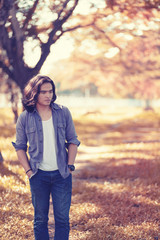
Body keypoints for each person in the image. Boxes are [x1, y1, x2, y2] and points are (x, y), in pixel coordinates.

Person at [12, 75, 80, 240]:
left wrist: (70, 166)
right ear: (34, 93)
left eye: (50, 91)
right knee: (40, 219)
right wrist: (28, 172)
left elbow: (72, 141)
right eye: (43, 92)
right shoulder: (25, 118)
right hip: (38, 175)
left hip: (62, 175)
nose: (48, 95)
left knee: (62, 219)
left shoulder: (63, 112)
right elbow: (20, 147)